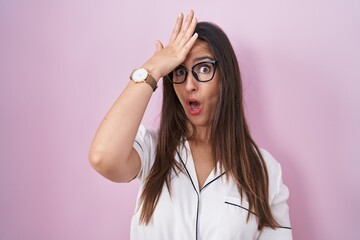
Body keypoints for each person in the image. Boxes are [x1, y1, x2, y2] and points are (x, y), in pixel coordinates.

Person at [89, 10, 292, 240]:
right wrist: (153, 68)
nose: (189, 85)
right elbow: (102, 158)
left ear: (226, 76)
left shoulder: (265, 170)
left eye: (204, 68)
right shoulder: (150, 150)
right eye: (179, 71)